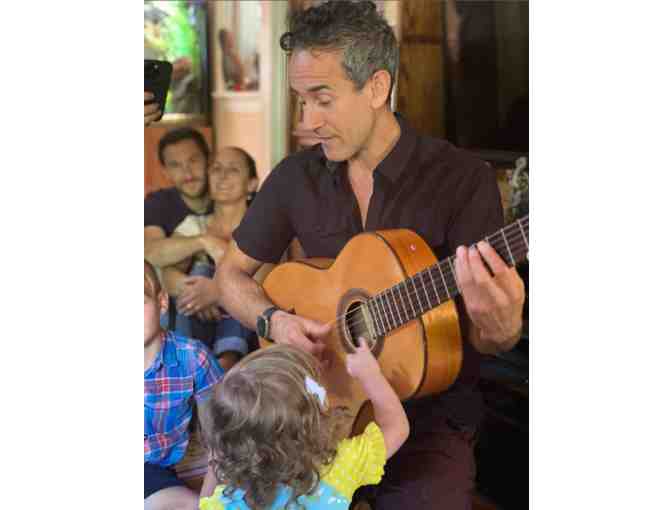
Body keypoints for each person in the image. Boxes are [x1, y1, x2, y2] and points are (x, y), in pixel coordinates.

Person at [214, 1, 526, 508]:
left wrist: (502, 326)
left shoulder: (461, 178)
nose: (308, 121)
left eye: (323, 99)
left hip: (427, 419)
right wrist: (274, 321)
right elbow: (230, 275)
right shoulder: (295, 177)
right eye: (300, 101)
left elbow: (488, 339)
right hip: (311, 420)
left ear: (378, 87)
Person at [198, 343, 409, 509]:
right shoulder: (340, 466)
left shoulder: (222, 505)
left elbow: (203, 502)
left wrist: (220, 454)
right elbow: (396, 427)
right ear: (313, 424)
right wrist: (370, 375)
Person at [163, 147, 260, 369]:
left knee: (231, 275)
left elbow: (265, 279)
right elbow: (167, 273)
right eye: (216, 168)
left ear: (252, 184)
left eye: (233, 169)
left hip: (245, 322)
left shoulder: (261, 227)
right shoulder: (195, 225)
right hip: (199, 324)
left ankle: (227, 357)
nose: (222, 175)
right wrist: (197, 291)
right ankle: (191, 362)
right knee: (199, 272)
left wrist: (217, 291)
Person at [144, 261, 224, 510]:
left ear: (162, 302)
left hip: (152, 473)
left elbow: (221, 435)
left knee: (189, 505)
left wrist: (206, 502)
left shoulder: (193, 357)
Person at [145, 128, 225, 328]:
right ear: (165, 172)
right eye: (176, 165)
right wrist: (204, 242)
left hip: (231, 303)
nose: (187, 173)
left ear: (209, 160)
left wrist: (214, 291)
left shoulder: (228, 196)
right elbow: (152, 253)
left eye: (193, 161)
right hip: (179, 307)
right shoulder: (158, 203)